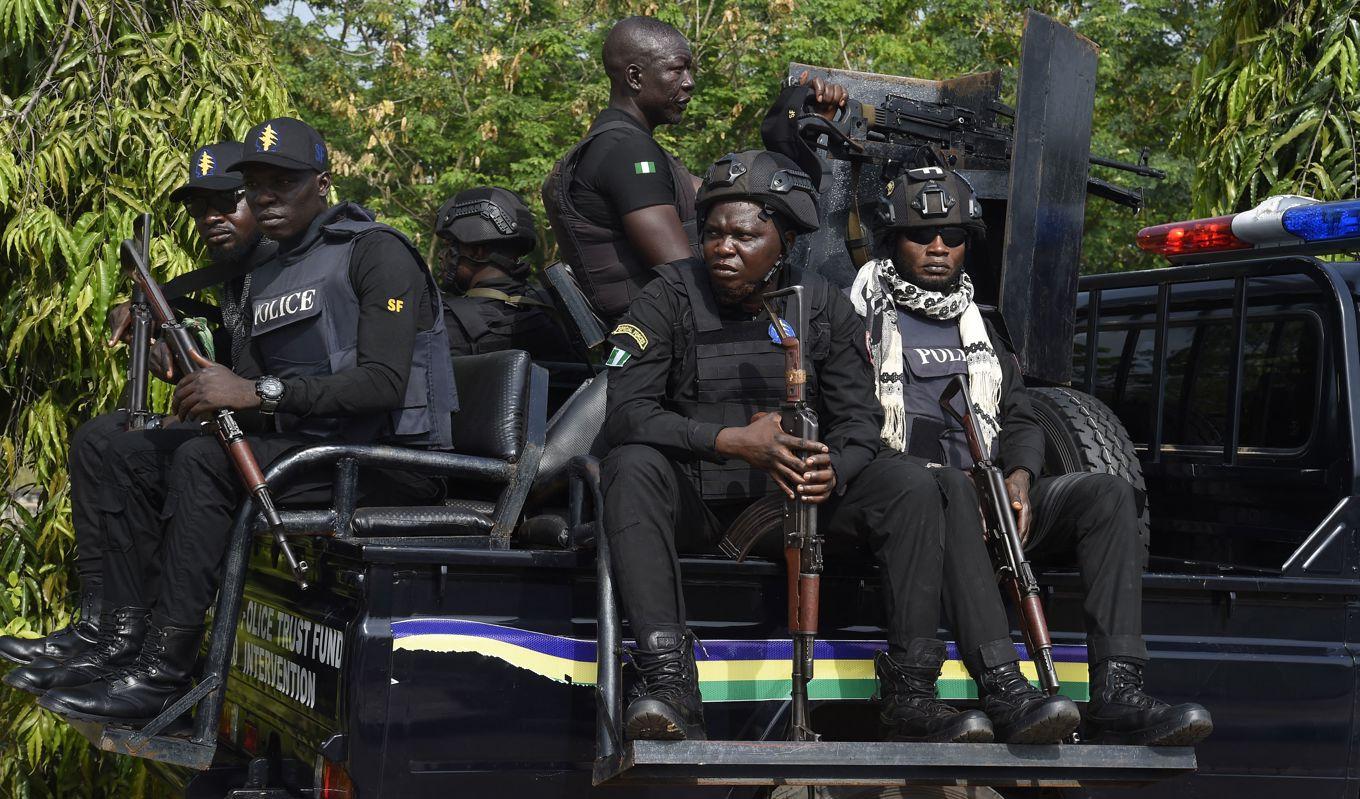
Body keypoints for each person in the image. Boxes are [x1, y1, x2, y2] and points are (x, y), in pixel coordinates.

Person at [29, 117, 457, 725]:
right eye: (256, 185)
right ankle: (111, 634)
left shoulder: (377, 252)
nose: (266, 197)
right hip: (305, 447)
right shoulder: (273, 271)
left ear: (322, 183)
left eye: (282, 182)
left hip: (385, 459)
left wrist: (257, 390)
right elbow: (245, 387)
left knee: (205, 461)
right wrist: (189, 376)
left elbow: (383, 384)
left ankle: (167, 669)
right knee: (110, 443)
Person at [603, 149, 1010, 744]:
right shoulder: (666, 295)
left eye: (745, 235)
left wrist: (833, 470)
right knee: (629, 463)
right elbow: (627, 410)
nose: (723, 248)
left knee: (912, 481)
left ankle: (912, 695)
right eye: (713, 233)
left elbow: (860, 423)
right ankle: (668, 686)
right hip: (699, 503)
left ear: (785, 240)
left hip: (800, 502)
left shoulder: (822, 305)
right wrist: (729, 441)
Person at [848, 165, 1213, 746]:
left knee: (1108, 495)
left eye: (954, 236)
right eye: (922, 235)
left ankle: (1118, 689)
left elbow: (1019, 414)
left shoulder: (983, 326)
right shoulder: (858, 321)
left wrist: (1018, 477)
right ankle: (1002, 686)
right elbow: (851, 426)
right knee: (944, 491)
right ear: (893, 242)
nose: (939, 247)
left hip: (993, 493)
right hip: (914, 500)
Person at [0, 140, 274, 683]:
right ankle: (107, 625)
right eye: (199, 209)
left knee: (151, 452)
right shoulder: (233, 277)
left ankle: (157, 657)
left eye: (228, 202)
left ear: (263, 199)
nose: (211, 219)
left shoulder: (290, 268)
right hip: (236, 421)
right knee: (98, 439)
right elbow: (217, 340)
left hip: (273, 431)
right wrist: (150, 315)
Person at [544, 17, 847, 327]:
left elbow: (739, 195)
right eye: (677, 69)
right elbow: (684, 275)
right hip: (670, 342)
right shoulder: (627, 151)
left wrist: (796, 124)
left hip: (671, 330)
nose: (689, 82)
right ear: (635, 77)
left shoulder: (623, 146)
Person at [436, 186, 577, 363]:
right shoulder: (554, 308)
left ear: (477, 251)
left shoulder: (446, 324)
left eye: (450, 245)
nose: (442, 255)